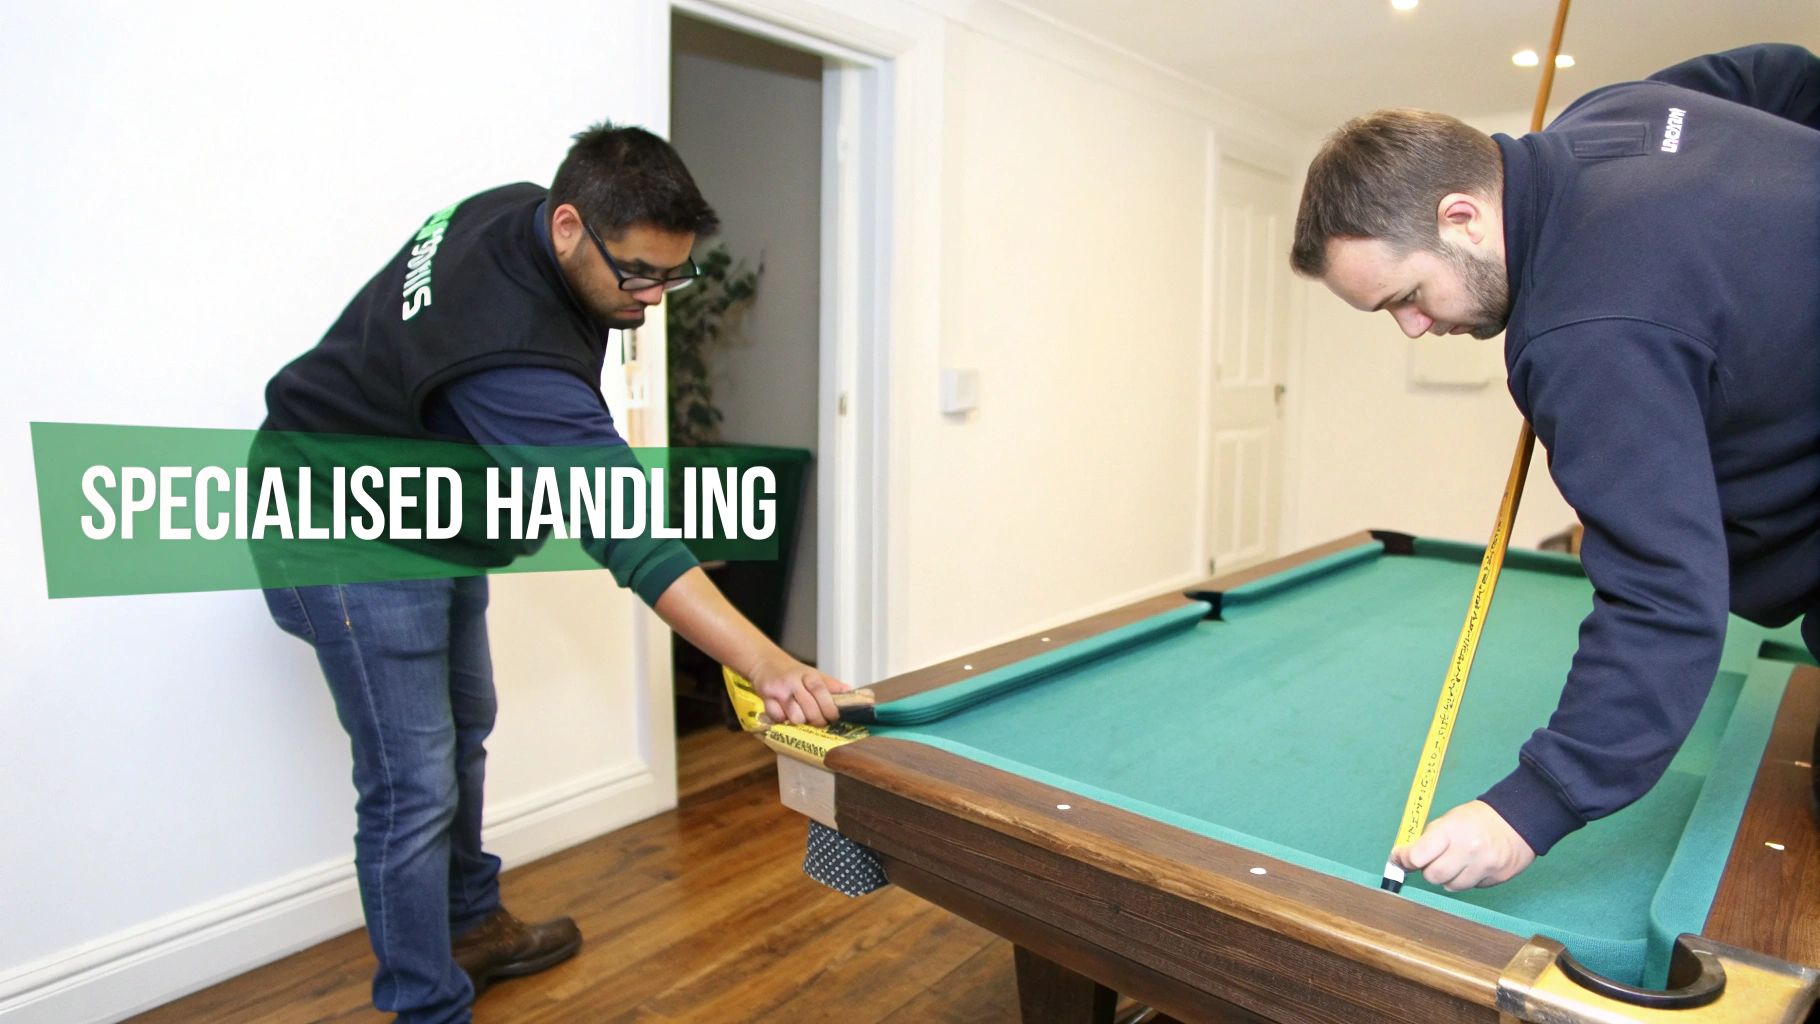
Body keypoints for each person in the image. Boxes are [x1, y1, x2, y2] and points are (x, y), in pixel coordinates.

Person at [259, 123, 847, 1023]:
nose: (654, 299)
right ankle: (425, 1004)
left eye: (673, 275)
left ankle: (472, 927)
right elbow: (630, 535)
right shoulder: (506, 346)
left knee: (465, 730)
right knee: (413, 783)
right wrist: (768, 662)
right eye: (638, 275)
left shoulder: (517, 211)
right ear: (570, 227)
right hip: (338, 522)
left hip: (422, 508)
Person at [1289, 45, 1820, 892]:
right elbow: (1782, 74)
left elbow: (1663, 597)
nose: (1414, 329)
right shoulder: (1611, 111)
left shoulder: (1582, 337)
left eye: (1407, 297)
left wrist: (1531, 808)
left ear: (1462, 215)